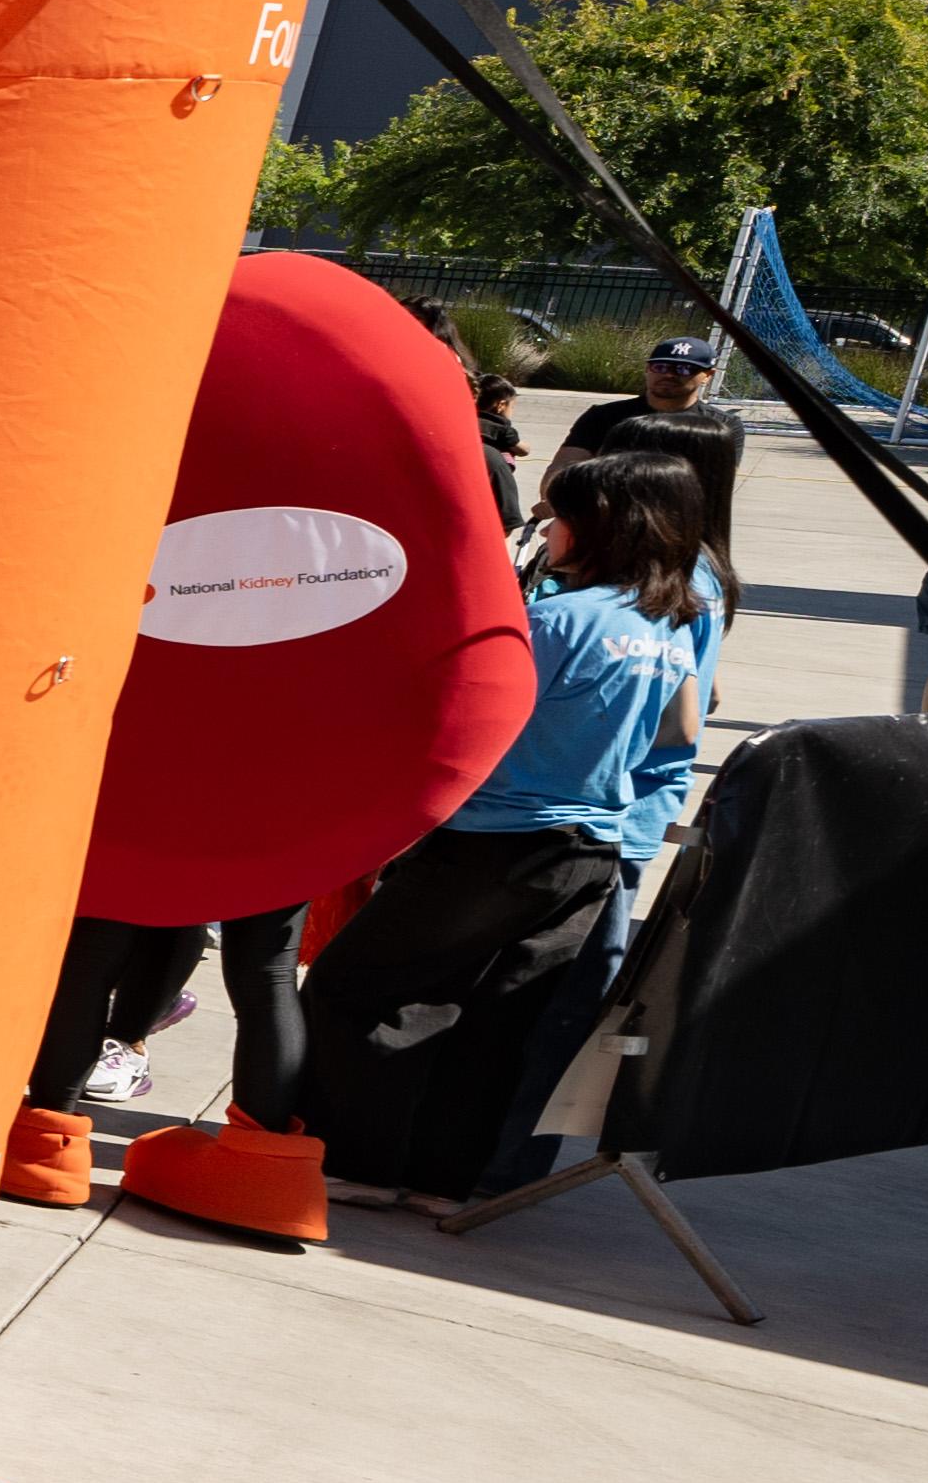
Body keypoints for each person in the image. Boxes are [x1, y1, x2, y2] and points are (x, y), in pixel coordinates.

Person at [287, 437, 725, 1197]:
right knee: (498, 1019)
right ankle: (443, 1173)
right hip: (589, 849)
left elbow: (472, 719)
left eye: (560, 518)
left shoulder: (554, 621)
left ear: (601, 528)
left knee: (357, 987)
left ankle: (354, 1163)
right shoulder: (667, 625)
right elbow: (683, 728)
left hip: (495, 839)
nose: (547, 530)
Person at [548, 329, 743, 607]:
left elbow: (712, 491)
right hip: (602, 537)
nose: (669, 374)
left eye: (684, 368)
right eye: (660, 366)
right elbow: (561, 470)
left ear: (707, 376)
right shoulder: (604, 417)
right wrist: (565, 502)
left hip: (679, 547)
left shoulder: (719, 428)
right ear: (647, 369)